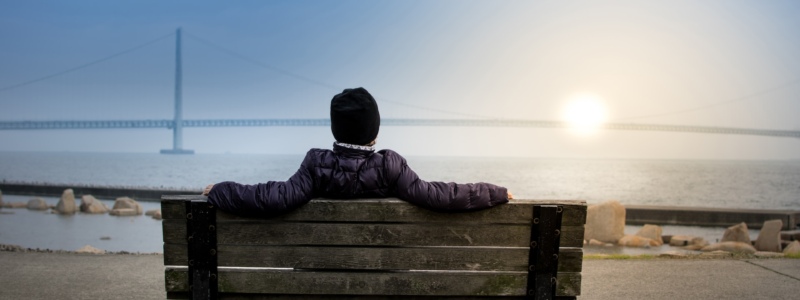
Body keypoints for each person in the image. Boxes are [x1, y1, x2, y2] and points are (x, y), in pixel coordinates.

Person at [203, 87, 512, 216]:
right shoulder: (390, 165)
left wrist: (221, 189)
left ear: (335, 131)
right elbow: (438, 195)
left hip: (318, 276)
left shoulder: (316, 164)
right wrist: (495, 192)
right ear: (374, 133)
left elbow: (273, 197)